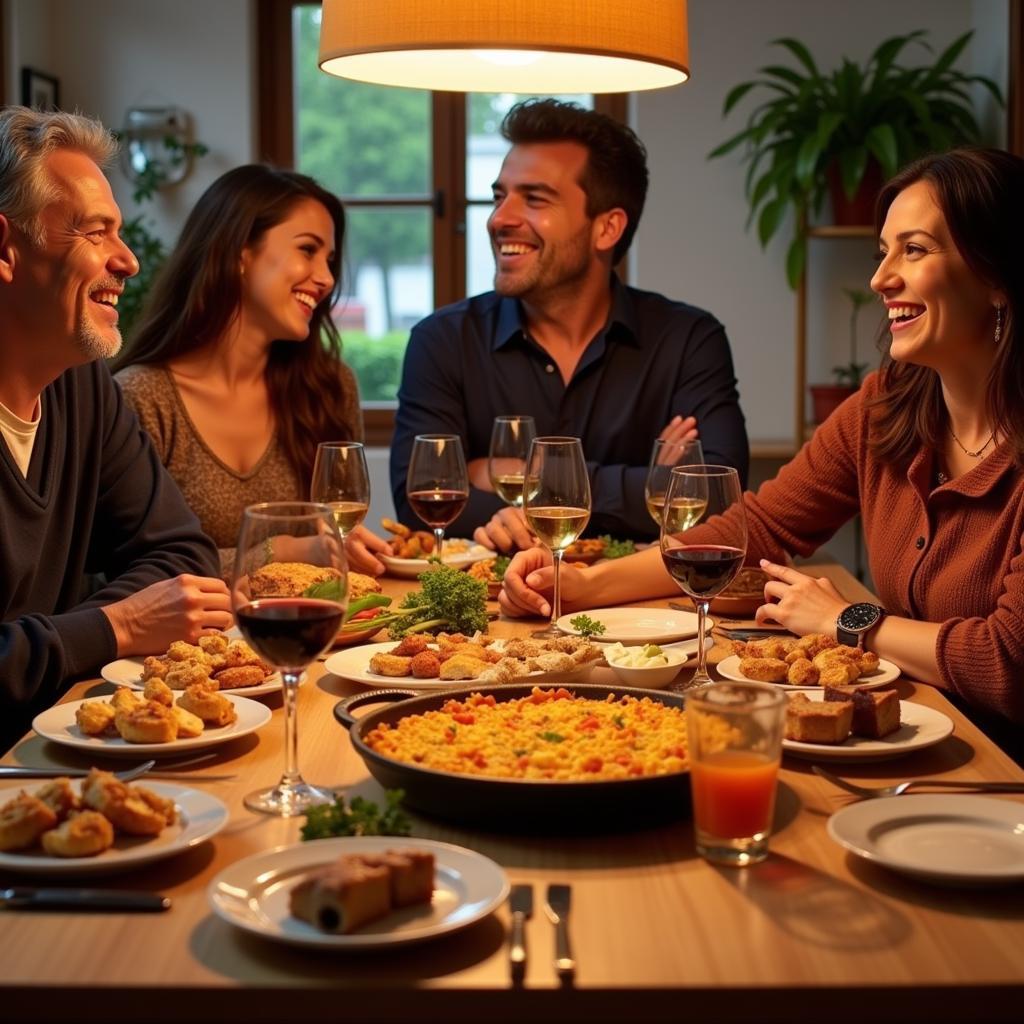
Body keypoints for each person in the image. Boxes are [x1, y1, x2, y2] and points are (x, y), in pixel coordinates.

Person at [501, 147, 1024, 735]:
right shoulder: (883, 409)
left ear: (997, 276)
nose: (881, 278)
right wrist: (582, 583)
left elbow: (1008, 663)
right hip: (911, 736)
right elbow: (755, 529)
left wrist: (848, 621)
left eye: (916, 249)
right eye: (883, 252)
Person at [390, 98, 748, 549]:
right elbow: (419, 498)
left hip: (648, 609)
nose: (500, 218)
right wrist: (654, 483)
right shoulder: (441, 340)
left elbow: (717, 499)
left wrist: (509, 475)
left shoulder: (689, 340)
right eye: (500, 196)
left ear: (607, 228)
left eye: (534, 199)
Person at [0, 107, 229, 751]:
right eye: (94, 233)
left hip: (59, 753)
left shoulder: (81, 386)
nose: (126, 261)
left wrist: (66, 636)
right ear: (4, 249)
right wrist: (111, 628)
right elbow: (129, 618)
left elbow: (184, 554)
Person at [113, 165, 391, 577]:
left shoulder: (330, 387)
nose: (327, 278)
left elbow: (333, 545)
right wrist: (280, 552)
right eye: (308, 250)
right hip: (190, 641)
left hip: (314, 634)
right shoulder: (142, 398)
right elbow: (122, 575)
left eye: (330, 260)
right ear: (240, 252)